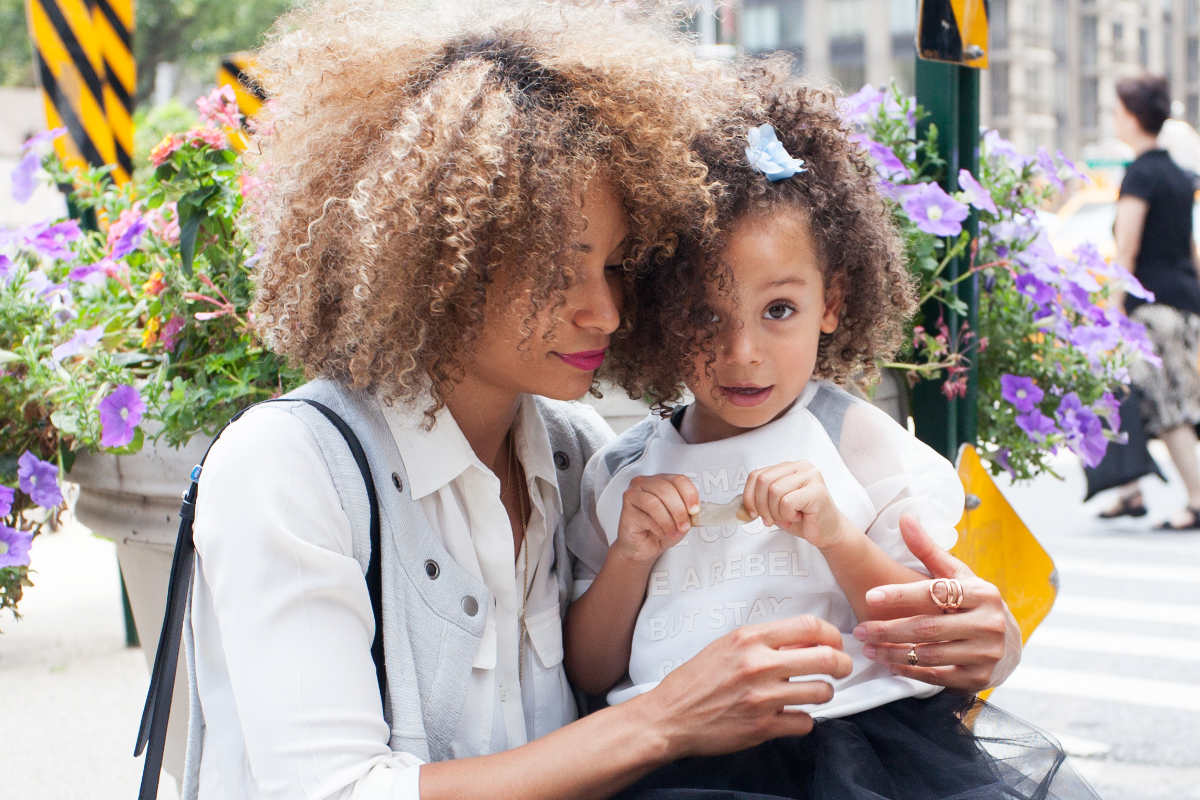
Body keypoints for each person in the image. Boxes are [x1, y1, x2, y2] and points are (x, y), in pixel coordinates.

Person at [180, 3, 1027, 798]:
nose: (608, 311)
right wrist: (664, 722)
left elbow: (899, 630)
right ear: (442, 262)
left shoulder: (576, 453)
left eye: (618, 266)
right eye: (560, 269)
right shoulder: (289, 469)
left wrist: (989, 643)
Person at [566, 74, 1098, 799]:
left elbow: (924, 637)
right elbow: (592, 672)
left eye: (777, 308)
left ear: (833, 303)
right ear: (658, 315)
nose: (742, 351)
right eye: (703, 316)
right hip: (671, 763)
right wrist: (630, 555)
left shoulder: (858, 445)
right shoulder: (625, 468)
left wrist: (836, 535)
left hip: (856, 753)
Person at [1102, 73, 1200, 530]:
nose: (1115, 118)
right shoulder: (1179, 176)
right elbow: (1190, 247)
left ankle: (1197, 499)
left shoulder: (1140, 174)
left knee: (1166, 404)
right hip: (1181, 304)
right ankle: (1129, 490)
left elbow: (1127, 248)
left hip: (1152, 309)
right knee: (1123, 391)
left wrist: (1112, 307)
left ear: (1134, 116)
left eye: (1119, 110)